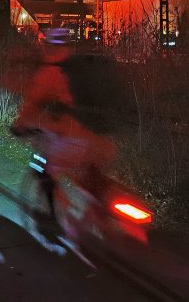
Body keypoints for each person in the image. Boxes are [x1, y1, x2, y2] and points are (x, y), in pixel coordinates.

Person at [10, 29, 116, 218]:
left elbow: (31, 104)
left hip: (72, 139)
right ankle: (100, 221)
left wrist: (19, 125)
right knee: (87, 180)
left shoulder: (51, 72)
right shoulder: (82, 67)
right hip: (102, 139)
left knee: (46, 171)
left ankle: (54, 220)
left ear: (48, 46)